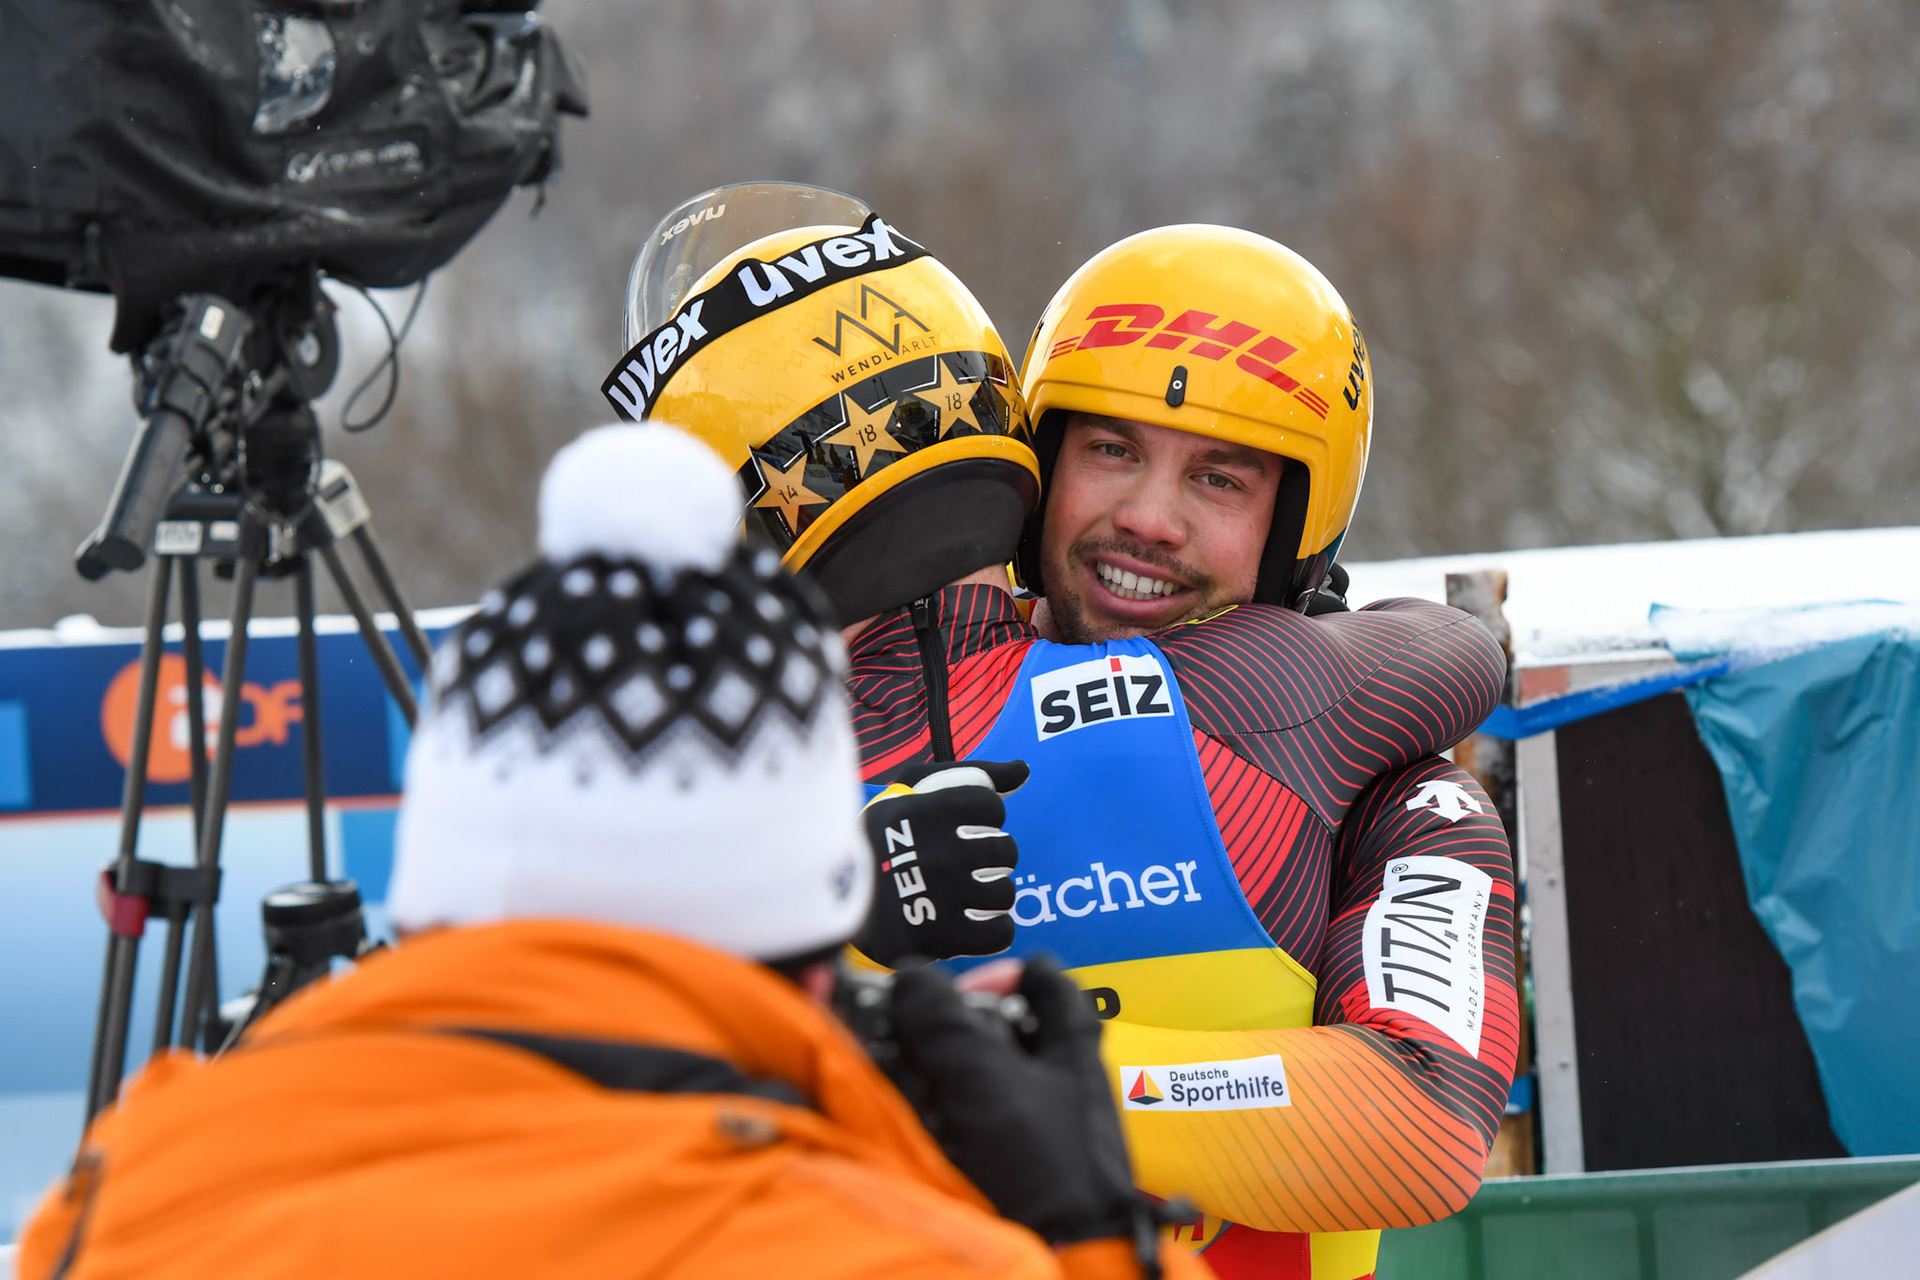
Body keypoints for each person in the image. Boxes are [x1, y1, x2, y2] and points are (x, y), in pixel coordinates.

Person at [15, 425, 1206, 1280]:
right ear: (815, 943)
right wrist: (1090, 1230)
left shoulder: (111, 1202)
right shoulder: (900, 1252)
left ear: (439, 889)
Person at [604, 193, 1517, 1279]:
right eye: (1112, 449)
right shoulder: (843, 702)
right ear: (1033, 465)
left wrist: (1005, 1067)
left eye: (1218, 477)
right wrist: (834, 911)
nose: (1148, 516)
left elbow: (1415, 1127)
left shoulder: (1398, 791)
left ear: (1296, 529)